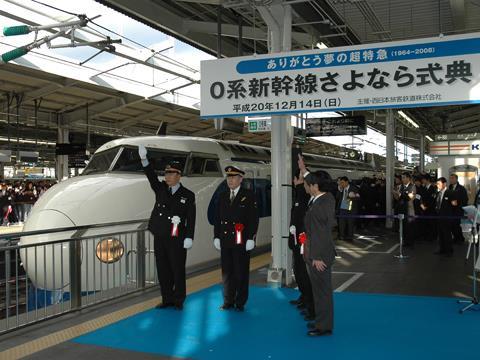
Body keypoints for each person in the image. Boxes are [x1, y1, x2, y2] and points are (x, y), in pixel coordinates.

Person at [138, 145, 196, 310]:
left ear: (179, 176)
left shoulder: (188, 195)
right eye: (166, 173)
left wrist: (189, 237)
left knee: (177, 269)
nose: (167, 176)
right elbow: (150, 176)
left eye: (171, 173)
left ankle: (178, 299)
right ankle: (167, 299)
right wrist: (144, 160)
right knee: (162, 269)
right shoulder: (160, 189)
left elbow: (191, 218)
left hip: (178, 238)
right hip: (161, 236)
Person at [299, 156, 336, 337]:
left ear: (316, 186)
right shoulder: (317, 200)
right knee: (319, 291)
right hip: (313, 252)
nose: (308, 186)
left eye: (310, 183)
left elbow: (323, 231)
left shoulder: (325, 201)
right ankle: (321, 321)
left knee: (322, 292)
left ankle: (324, 326)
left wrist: (318, 256)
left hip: (319, 255)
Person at [213, 166, 259, 312]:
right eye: (228, 177)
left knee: (241, 272)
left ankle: (240, 302)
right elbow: (218, 219)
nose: (230, 180)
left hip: (242, 241)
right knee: (227, 273)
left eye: (233, 177)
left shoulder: (249, 196)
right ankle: (228, 300)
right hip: (226, 240)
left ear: (240, 179)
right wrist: (216, 236)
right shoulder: (222, 196)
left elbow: (253, 219)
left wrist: (251, 237)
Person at [288, 170, 314, 320]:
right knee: (298, 271)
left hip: (303, 243)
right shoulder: (299, 196)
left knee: (304, 274)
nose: (296, 181)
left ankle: (309, 302)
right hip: (296, 242)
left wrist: (300, 185)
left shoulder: (304, 197)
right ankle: (304, 297)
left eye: (300, 180)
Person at [435, 177, 454, 257]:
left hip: (447, 217)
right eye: (437, 184)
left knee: (447, 234)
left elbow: (454, 205)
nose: (437, 186)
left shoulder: (450, 192)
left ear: (444, 184)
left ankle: (449, 250)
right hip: (439, 217)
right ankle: (442, 249)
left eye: (439, 184)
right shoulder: (438, 193)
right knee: (441, 234)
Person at [336, 176, 360, 241]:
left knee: (350, 223)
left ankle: (350, 237)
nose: (341, 184)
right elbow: (337, 197)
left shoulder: (354, 188)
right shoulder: (341, 189)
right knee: (341, 223)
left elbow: (358, 198)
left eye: (342, 183)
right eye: (340, 183)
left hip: (351, 208)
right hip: (342, 207)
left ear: (347, 182)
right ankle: (341, 236)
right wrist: (340, 190)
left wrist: (353, 196)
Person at [397, 172, 416, 248]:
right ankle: (406, 242)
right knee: (403, 227)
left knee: (410, 228)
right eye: (402, 178)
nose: (402, 179)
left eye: (404, 177)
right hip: (401, 209)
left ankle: (411, 243)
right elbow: (398, 198)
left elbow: (410, 197)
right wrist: (397, 194)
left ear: (408, 178)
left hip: (409, 209)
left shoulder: (412, 187)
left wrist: (401, 194)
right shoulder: (400, 186)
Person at [448, 174, 469, 244]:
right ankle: (456, 237)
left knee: (456, 224)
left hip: (458, 210)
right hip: (451, 210)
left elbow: (465, 199)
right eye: (450, 178)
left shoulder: (461, 188)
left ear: (456, 179)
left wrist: (458, 203)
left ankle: (460, 238)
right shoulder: (449, 188)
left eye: (452, 178)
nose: (451, 180)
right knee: (451, 225)